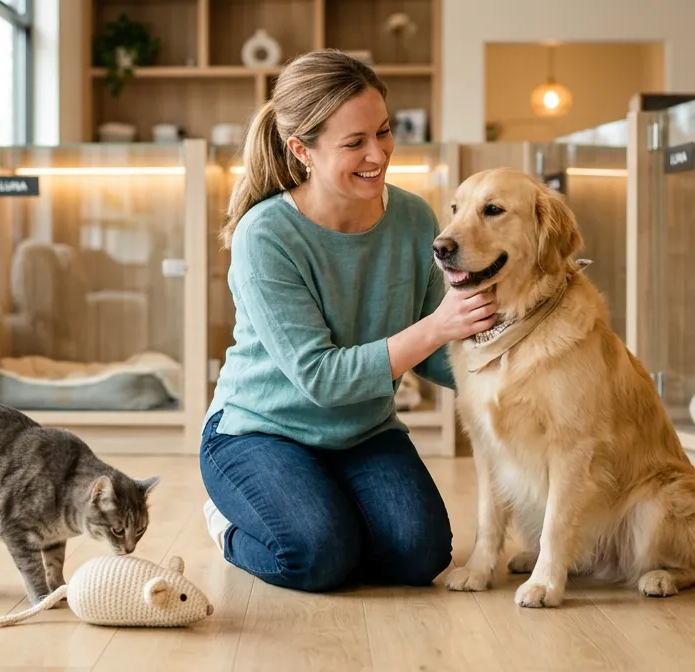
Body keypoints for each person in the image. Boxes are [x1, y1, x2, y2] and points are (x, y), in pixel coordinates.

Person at [200, 49, 497, 593]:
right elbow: (320, 377)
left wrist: (519, 373)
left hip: (363, 430)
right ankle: (227, 527)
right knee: (317, 558)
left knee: (420, 556)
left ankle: (327, 510)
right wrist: (439, 326)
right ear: (301, 150)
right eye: (354, 142)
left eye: (383, 132)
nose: (378, 154)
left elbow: (435, 352)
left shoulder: (412, 218)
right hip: (259, 432)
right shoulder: (264, 236)